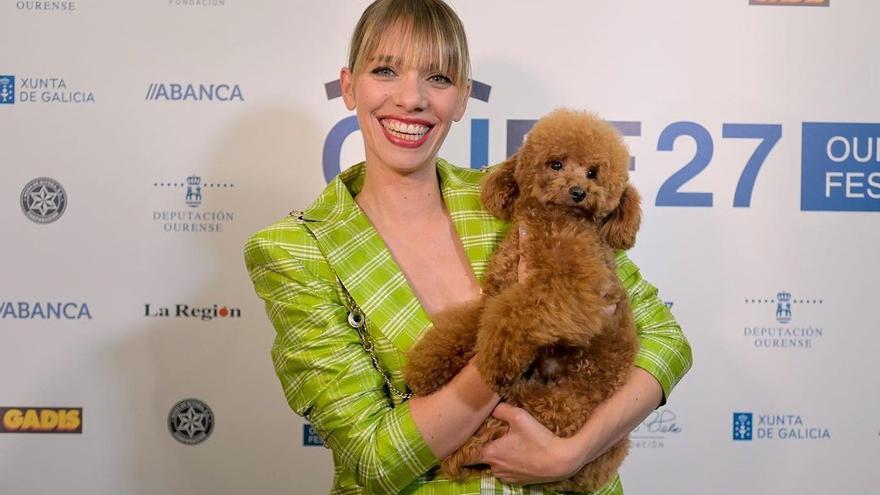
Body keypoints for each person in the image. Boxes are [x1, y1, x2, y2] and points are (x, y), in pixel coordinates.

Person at [243, 1, 692, 493]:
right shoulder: (297, 249)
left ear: (461, 99)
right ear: (350, 86)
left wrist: (571, 454)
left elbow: (665, 339)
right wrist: (509, 349)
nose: (411, 98)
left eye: (438, 78)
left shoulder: (521, 196)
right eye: (385, 70)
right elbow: (373, 459)